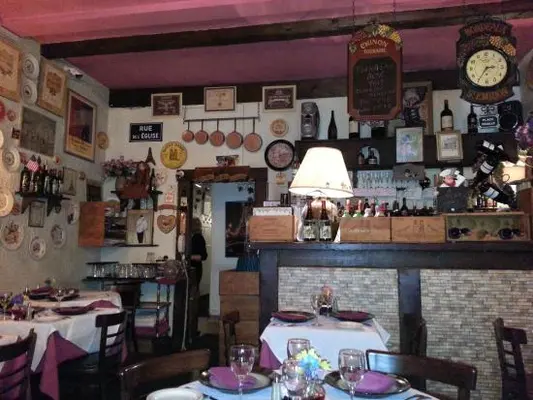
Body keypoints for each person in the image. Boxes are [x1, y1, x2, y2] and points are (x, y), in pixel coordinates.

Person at [190, 217, 208, 288]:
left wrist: (189, 257)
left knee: (194, 289)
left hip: (195, 269)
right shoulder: (195, 237)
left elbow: (204, 256)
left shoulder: (198, 237)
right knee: (194, 288)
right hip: (195, 268)